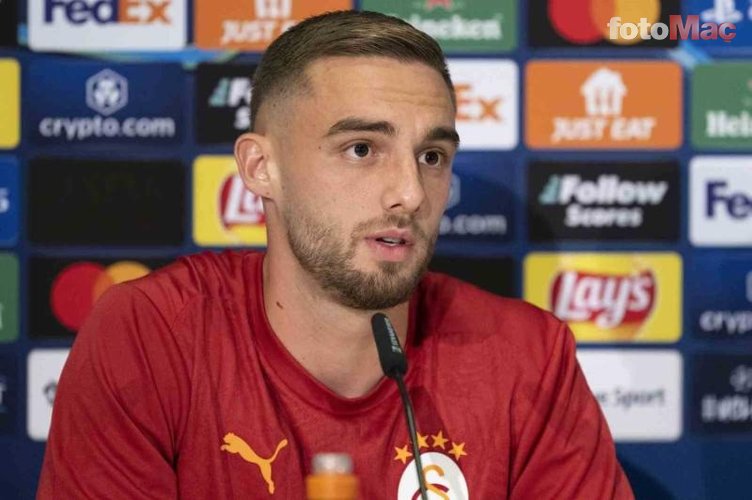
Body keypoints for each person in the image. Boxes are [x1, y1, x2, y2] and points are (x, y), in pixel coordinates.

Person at [38, 10, 633, 499]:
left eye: (431, 156)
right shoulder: (150, 335)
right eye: (361, 149)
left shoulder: (527, 356)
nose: (409, 193)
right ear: (260, 167)